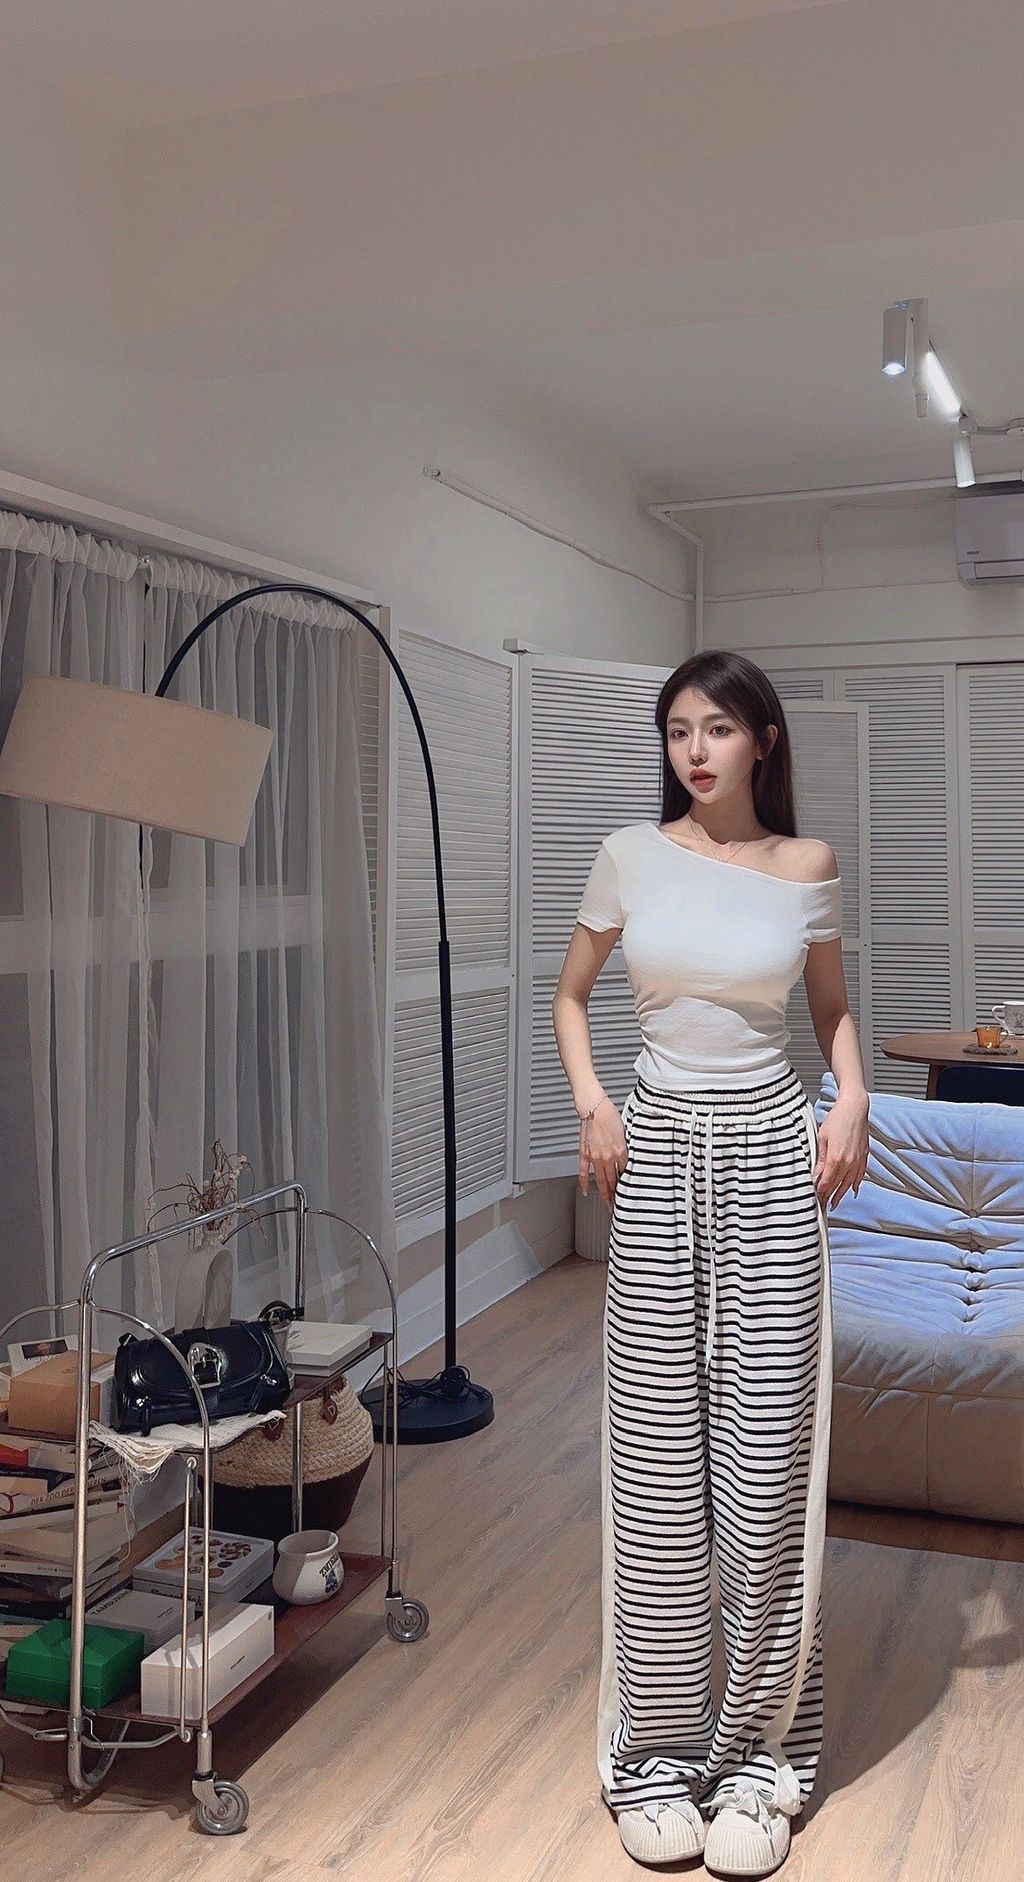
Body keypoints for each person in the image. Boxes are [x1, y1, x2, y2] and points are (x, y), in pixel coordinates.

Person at [551, 650, 869, 1879]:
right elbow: (572, 995)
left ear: (762, 741)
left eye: (718, 728)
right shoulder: (629, 854)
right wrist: (594, 1105)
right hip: (658, 1158)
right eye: (678, 728)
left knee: (767, 1454)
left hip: (771, 1159)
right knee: (656, 1459)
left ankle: (757, 1758)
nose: (694, 749)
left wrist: (851, 1099)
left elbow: (830, 1009)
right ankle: (656, 1753)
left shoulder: (806, 865)